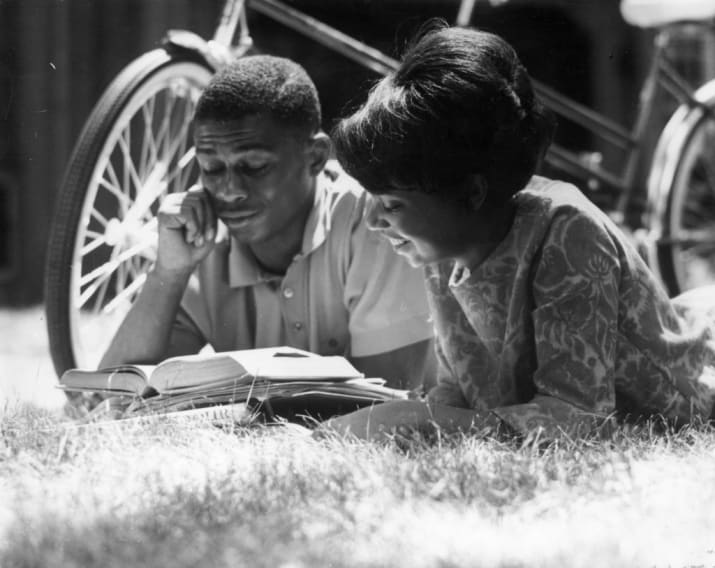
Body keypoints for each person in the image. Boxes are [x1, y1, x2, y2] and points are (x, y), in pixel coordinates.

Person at [321, 25, 715, 441]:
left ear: (471, 192)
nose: (374, 223)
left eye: (392, 204)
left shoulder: (566, 230)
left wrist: (416, 417)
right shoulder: (442, 245)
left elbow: (579, 420)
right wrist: (414, 419)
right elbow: (458, 393)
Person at [99, 54, 435, 392]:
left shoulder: (374, 222)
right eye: (212, 169)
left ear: (315, 157)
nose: (229, 191)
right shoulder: (201, 243)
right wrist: (168, 273)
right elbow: (106, 398)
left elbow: (387, 402)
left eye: (255, 166)